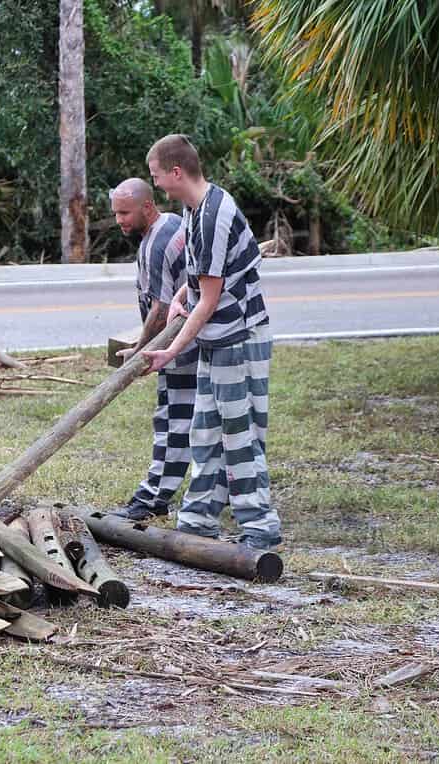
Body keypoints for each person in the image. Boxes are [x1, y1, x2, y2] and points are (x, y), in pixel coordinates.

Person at [140, 135, 281, 550]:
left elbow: (211, 300)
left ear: (176, 172)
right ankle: (199, 518)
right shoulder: (193, 207)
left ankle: (259, 525)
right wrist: (182, 296)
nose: (158, 184)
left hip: (238, 336)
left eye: (157, 176)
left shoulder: (213, 218)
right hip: (217, 337)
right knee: (206, 428)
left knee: (239, 432)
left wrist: (171, 350)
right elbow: (198, 281)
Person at [108, 178, 198, 521]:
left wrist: (140, 351)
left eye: (125, 213)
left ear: (148, 206)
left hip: (179, 348)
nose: (120, 220)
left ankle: (152, 498)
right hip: (179, 344)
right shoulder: (172, 223)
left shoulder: (156, 245)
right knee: (177, 418)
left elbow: (160, 308)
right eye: (116, 213)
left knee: (174, 423)